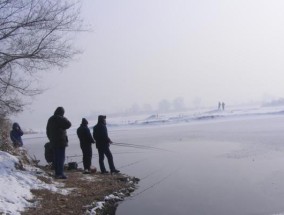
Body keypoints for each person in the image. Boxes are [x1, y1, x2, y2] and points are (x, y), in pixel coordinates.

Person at [46, 107, 71, 179]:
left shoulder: (50, 119)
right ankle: (60, 173)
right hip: (60, 142)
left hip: (53, 142)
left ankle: (57, 173)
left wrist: (51, 139)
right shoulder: (60, 118)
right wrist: (63, 118)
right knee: (61, 158)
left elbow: (47, 131)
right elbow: (68, 124)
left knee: (56, 158)